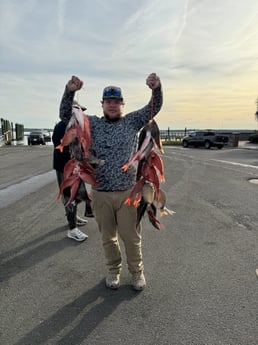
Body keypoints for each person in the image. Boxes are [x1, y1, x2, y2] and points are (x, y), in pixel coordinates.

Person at [59, 73, 162, 290]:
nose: (112, 105)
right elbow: (66, 115)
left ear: (122, 104)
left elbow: (154, 107)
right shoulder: (92, 123)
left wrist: (156, 88)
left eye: (116, 102)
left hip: (128, 193)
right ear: (102, 104)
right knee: (108, 237)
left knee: (131, 237)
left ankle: (137, 273)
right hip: (100, 192)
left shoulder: (132, 122)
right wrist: (70, 91)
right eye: (108, 102)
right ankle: (113, 271)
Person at [52, 101, 93, 242]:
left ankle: (73, 217)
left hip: (76, 167)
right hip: (64, 167)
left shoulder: (79, 126)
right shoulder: (61, 126)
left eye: (82, 111)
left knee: (78, 194)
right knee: (68, 196)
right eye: (78, 110)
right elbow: (59, 145)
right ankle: (72, 229)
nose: (81, 113)